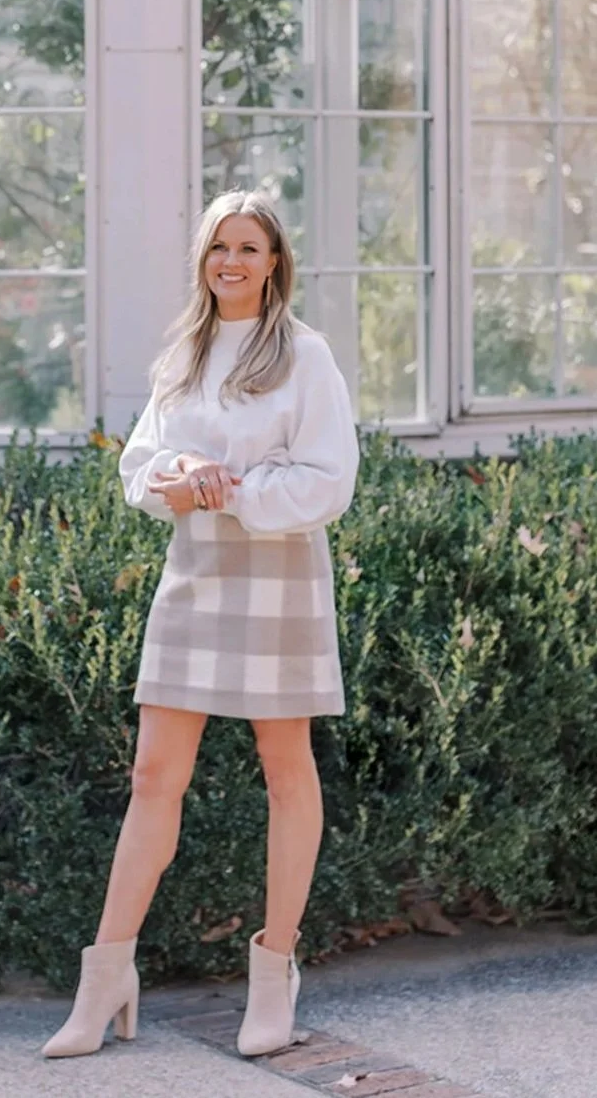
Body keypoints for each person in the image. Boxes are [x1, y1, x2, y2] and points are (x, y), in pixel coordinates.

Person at [41, 189, 360, 1062]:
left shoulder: (305, 354)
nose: (233, 261)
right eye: (221, 246)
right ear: (204, 259)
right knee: (153, 773)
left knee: (285, 770)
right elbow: (141, 467)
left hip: (279, 579)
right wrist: (180, 472)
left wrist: (233, 490)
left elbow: (331, 480)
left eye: (250, 247)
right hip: (193, 577)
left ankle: (275, 968)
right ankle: (105, 979)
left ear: (275, 262)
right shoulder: (182, 353)